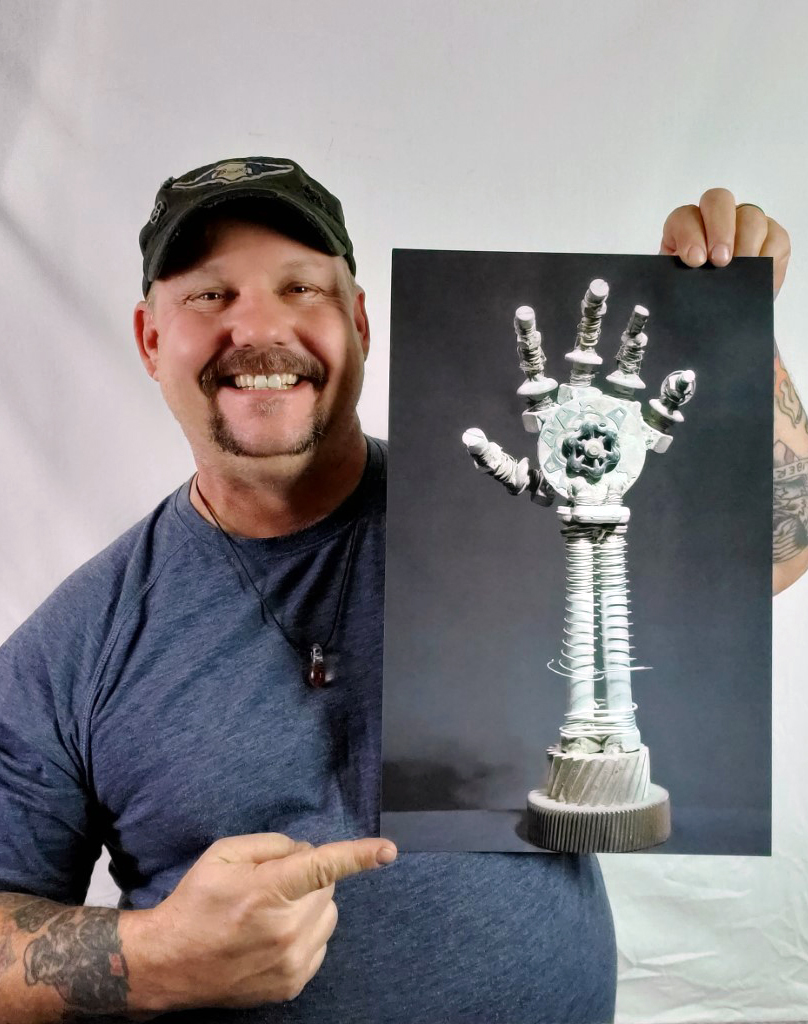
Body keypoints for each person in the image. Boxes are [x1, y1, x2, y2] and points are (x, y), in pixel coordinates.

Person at [0, 157, 803, 1023]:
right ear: (151, 338)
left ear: (360, 323)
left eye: (302, 286)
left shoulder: (492, 510)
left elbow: (777, 552)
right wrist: (151, 958)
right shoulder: (77, 644)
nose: (259, 327)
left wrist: (734, 327)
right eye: (208, 295)